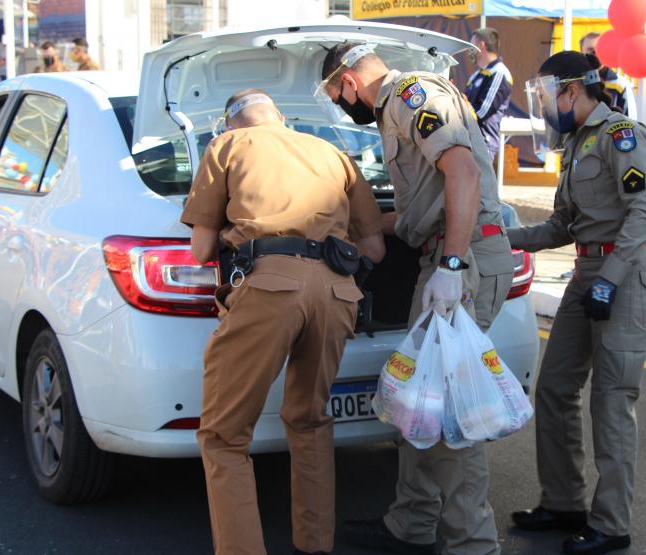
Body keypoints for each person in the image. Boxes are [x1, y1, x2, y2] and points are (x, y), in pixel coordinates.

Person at [319, 42, 515, 555]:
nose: (342, 106)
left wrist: (450, 266)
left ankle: (473, 544)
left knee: (450, 414)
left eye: (336, 96)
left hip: (462, 259)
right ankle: (413, 522)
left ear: (347, 82)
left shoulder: (411, 95)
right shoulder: (397, 105)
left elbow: (464, 172)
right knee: (420, 400)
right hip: (445, 253)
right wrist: (345, 226)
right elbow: (418, 209)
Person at [180, 89, 385, 555]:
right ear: (279, 117)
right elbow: (374, 250)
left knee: (224, 437)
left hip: (269, 289)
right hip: (336, 293)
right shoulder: (332, 152)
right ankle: (314, 546)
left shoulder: (227, 147)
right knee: (310, 421)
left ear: (232, 123)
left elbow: (200, 249)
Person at [508, 51, 646, 555]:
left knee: (612, 401)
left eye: (550, 93)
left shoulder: (621, 134)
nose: (548, 104)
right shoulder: (576, 142)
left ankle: (612, 524)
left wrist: (611, 279)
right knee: (554, 388)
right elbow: (562, 225)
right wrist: (500, 236)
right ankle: (564, 503)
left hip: (625, 275)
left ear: (572, 90)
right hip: (586, 273)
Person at [464, 27, 513, 161]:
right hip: (469, 140)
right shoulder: (476, 75)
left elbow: (482, 112)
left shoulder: (499, 73)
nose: (469, 50)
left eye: (472, 44)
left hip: (483, 143)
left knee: (479, 182)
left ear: (481, 45)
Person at [580, 33, 637, 119]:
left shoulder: (621, 84)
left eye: (599, 49)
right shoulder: (576, 82)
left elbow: (631, 120)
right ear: (582, 52)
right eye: (591, 50)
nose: (595, 53)